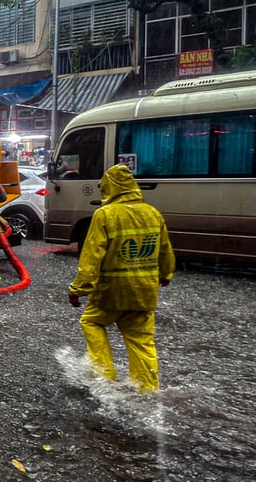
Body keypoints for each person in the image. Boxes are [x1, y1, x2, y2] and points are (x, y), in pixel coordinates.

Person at [67, 164, 175, 393]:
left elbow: (92, 255)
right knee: (141, 340)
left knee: (92, 321)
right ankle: (147, 388)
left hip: (111, 292)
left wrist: (79, 288)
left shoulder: (105, 215)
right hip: (144, 292)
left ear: (109, 188)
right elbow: (164, 249)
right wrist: (166, 274)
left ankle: (103, 376)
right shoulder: (152, 213)